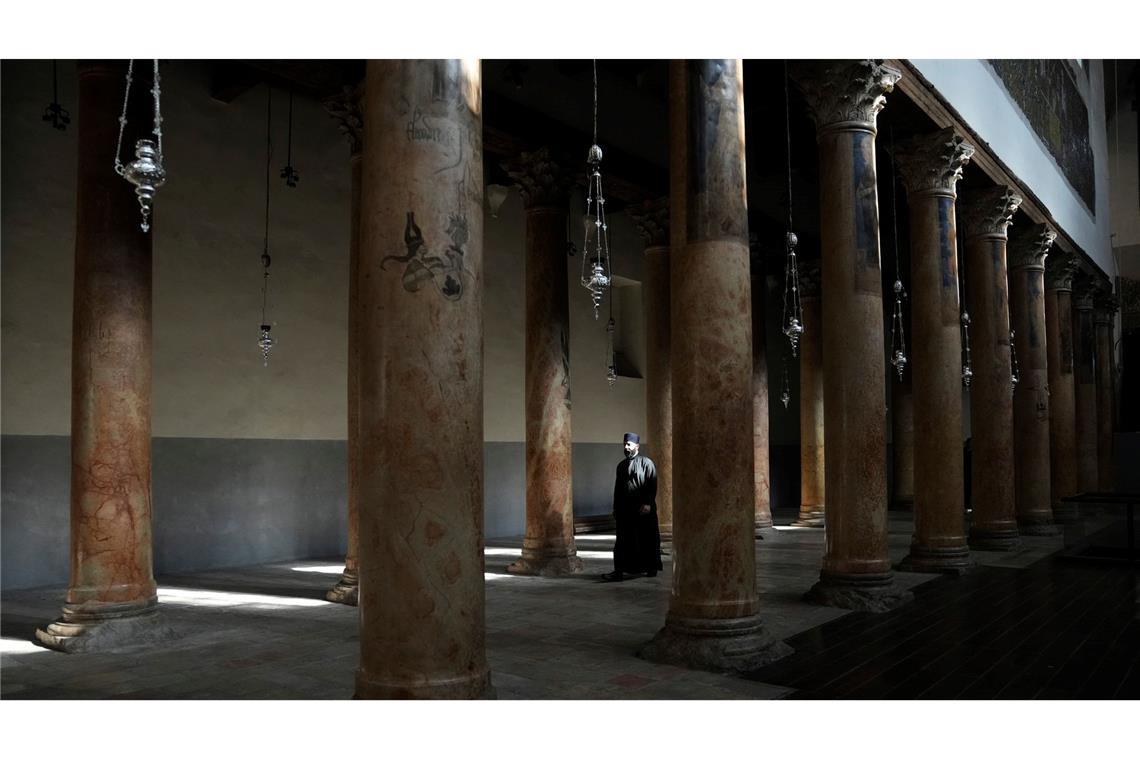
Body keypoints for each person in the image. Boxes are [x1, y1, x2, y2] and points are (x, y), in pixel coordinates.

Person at [601, 432, 663, 582]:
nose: (626, 447)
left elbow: (652, 484)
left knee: (647, 539)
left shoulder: (647, 463)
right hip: (625, 511)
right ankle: (619, 571)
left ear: (637, 446)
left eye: (629, 444)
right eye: (624, 444)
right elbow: (618, 489)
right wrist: (616, 508)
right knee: (623, 541)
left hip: (643, 511)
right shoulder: (621, 465)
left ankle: (651, 568)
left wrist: (648, 503)